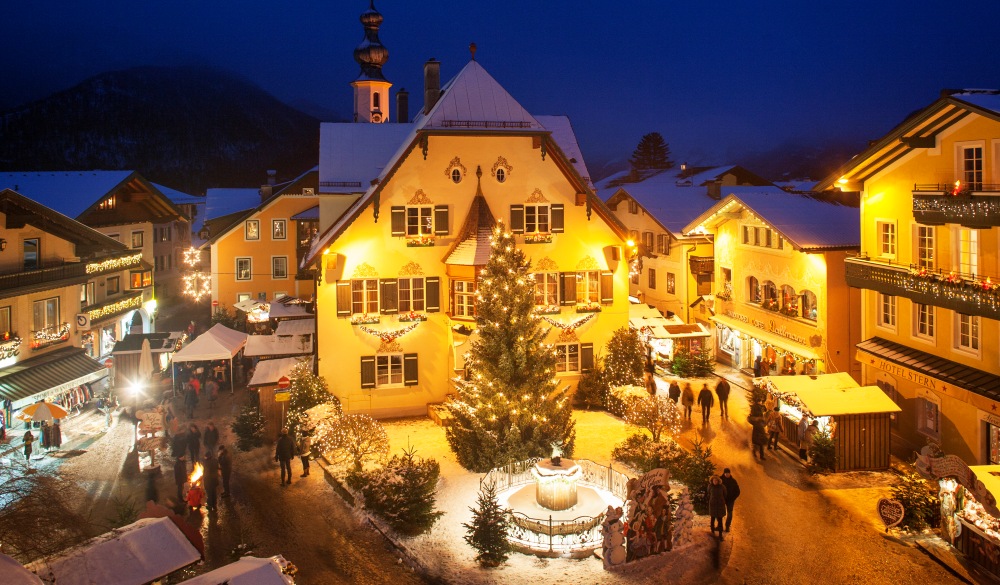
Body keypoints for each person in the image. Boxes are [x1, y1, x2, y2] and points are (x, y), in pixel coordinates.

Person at [707, 475, 727, 540]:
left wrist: (721, 500)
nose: (715, 481)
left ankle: (720, 535)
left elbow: (725, 494)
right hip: (713, 505)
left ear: (718, 481)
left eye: (716, 480)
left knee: (720, 520)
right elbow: (709, 493)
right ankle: (712, 533)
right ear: (712, 481)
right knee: (712, 520)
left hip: (720, 505)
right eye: (714, 480)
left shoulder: (722, 487)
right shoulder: (710, 486)